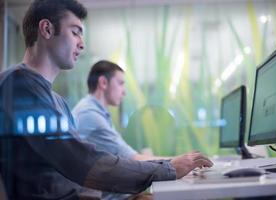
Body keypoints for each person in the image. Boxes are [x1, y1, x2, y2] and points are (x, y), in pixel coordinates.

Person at [0, 0, 213, 200]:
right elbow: (83, 163)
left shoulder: (57, 100)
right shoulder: (18, 84)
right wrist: (169, 168)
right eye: (75, 32)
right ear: (47, 29)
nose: (82, 44)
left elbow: (76, 172)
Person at [72, 60, 173, 199]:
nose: (124, 91)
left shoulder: (95, 111)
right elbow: (134, 160)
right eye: (120, 83)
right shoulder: (90, 115)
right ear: (103, 83)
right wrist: (179, 163)